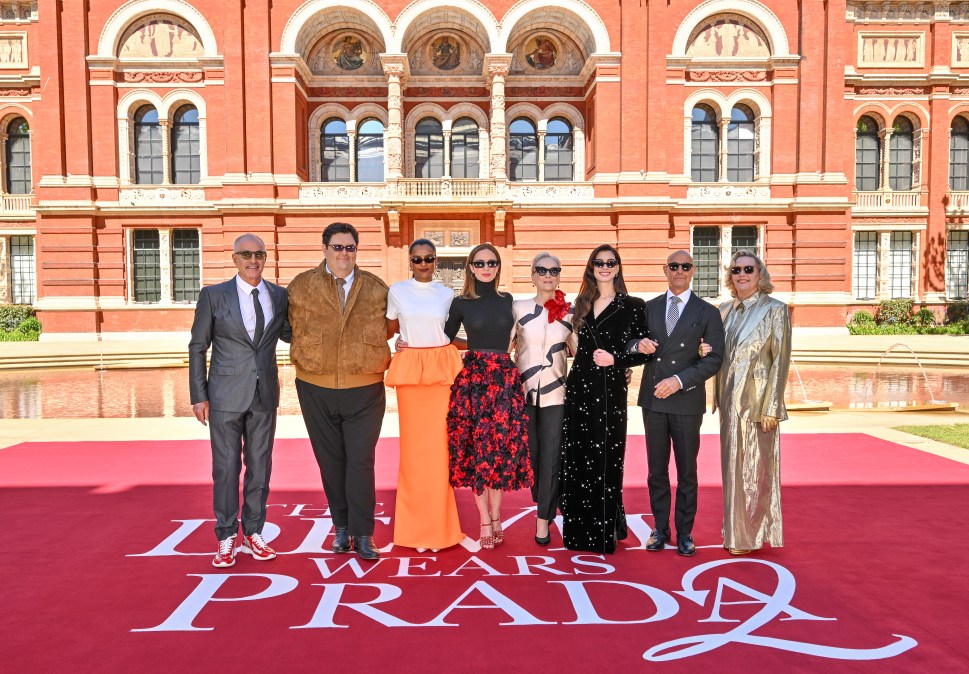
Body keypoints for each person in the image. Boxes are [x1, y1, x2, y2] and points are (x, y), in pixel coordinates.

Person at [288, 222, 392, 561]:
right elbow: (287, 328)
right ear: (325, 248)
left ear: (356, 250)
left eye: (349, 247)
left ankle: (364, 534)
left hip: (364, 389)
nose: (343, 253)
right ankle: (342, 527)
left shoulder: (377, 289)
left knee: (360, 462)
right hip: (315, 386)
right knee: (331, 463)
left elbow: (392, 327)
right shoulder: (300, 287)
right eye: (337, 247)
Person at [189, 234, 290, 568]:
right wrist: (199, 395)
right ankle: (227, 536)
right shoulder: (214, 295)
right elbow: (197, 347)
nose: (253, 260)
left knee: (260, 468)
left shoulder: (278, 294)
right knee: (226, 468)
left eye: (259, 254)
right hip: (224, 396)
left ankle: (254, 531)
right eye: (246, 254)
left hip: (264, 394)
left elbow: (294, 333)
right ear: (234, 258)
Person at [559, 245, 651, 554]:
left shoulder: (633, 305)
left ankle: (604, 531)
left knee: (607, 459)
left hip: (610, 389)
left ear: (618, 267)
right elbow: (569, 345)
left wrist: (617, 360)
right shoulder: (580, 305)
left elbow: (645, 352)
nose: (605, 267)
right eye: (599, 262)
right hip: (580, 386)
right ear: (591, 267)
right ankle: (577, 534)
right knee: (576, 459)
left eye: (611, 262)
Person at [635, 250, 725, 557]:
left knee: (687, 471)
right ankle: (660, 528)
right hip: (654, 400)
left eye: (685, 266)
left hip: (686, 400)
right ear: (665, 270)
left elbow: (714, 359)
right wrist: (637, 344)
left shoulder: (707, 312)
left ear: (693, 271)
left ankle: (685, 532)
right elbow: (629, 343)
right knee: (656, 470)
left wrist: (679, 380)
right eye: (673, 266)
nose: (679, 271)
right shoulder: (649, 308)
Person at [445, 243, 532, 550]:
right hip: (474, 381)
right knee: (479, 451)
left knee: (499, 452)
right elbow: (444, 338)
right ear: (470, 266)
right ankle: (484, 518)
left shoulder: (508, 301)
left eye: (491, 262)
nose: (486, 267)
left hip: (505, 379)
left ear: (498, 266)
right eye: (480, 262)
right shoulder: (461, 303)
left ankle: (497, 515)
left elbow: (523, 335)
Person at [386, 239, 465, 552]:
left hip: (439, 372)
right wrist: (396, 345)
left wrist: (492, 342)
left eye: (429, 259)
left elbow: (451, 334)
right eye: (417, 259)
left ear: (436, 261)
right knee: (413, 455)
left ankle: (439, 529)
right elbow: (390, 328)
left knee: (438, 453)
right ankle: (413, 530)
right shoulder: (397, 291)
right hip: (411, 374)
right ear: (410, 261)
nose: (423, 264)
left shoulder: (447, 294)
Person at [713, 250, 791, 555]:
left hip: (758, 404)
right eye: (736, 270)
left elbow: (780, 361)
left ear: (760, 274)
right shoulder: (723, 311)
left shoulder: (775, 310)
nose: (742, 274)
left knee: (756, 469)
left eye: (748, 269)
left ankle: (751, 534)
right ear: (730, 277)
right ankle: (734, 531)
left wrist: (773, 406)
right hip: (728, 402)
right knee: (732, 468)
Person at [513, 252, 575, 546]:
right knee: (533, 457)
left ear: (559, 275)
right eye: (541, 270)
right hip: (523, 394)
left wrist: (618, 370)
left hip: (556, 393)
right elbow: (501, 346)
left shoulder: (571, 312)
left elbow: (582, 352)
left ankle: (542, 520)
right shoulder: (518, 308)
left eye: (554, 270)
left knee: (551, 456)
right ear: (532, 275)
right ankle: (548, 500)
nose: (547, 275)